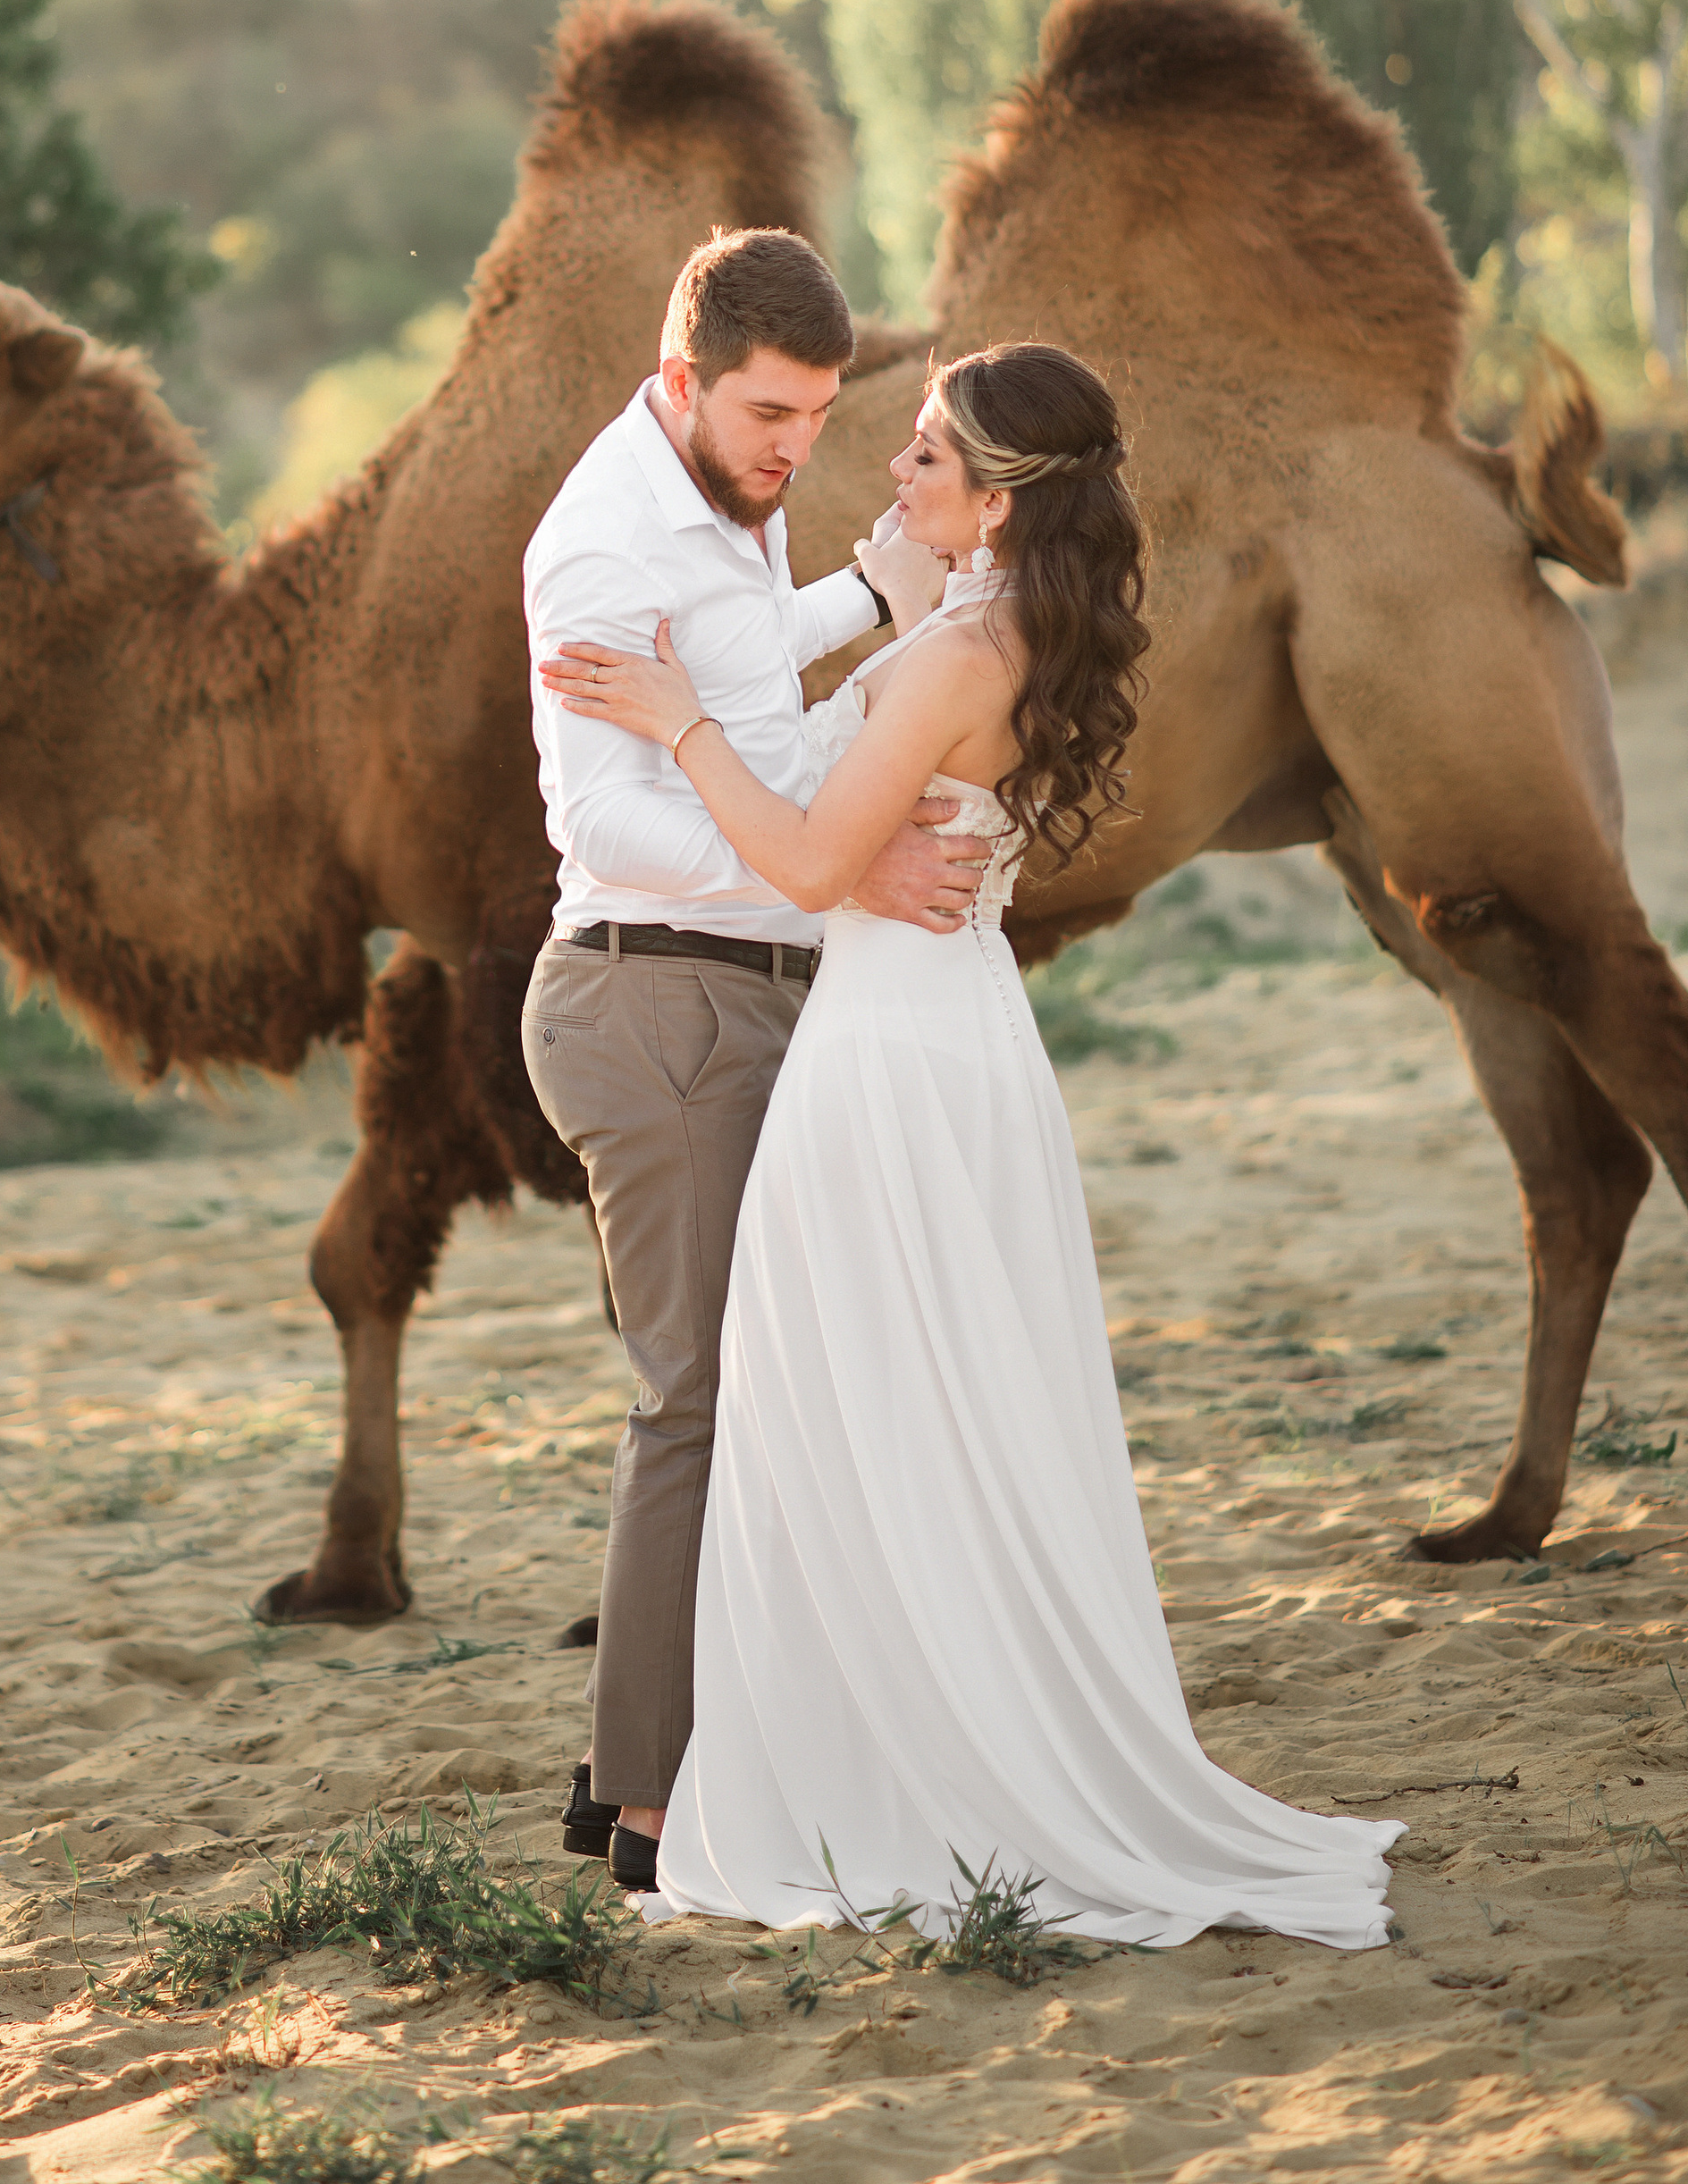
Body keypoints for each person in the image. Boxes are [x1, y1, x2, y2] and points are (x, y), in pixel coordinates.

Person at [542, 339, 1401, 1953]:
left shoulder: (960, 652)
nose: (895, 469)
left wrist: (673, 717)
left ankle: (882, 1766)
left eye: (928, 454)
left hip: (887, 1052)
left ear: (999, 501)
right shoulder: (996, 628)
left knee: (859, 1401)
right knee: (921, 1405)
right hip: (954, 1029)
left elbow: (805, 860)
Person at [521, 229, 989, 1897]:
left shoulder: (725, 489)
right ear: (682, 381)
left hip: (755, 990)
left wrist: (863, 596)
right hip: (651, 1004)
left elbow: (724, 673)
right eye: (769, 412)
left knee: (770, 1388)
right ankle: (639, 1807)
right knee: (694, 1400)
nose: (796, 445)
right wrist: (829, 859)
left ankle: (733, 1759)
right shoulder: (595, 545)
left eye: (813, 413)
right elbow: (612, 820)